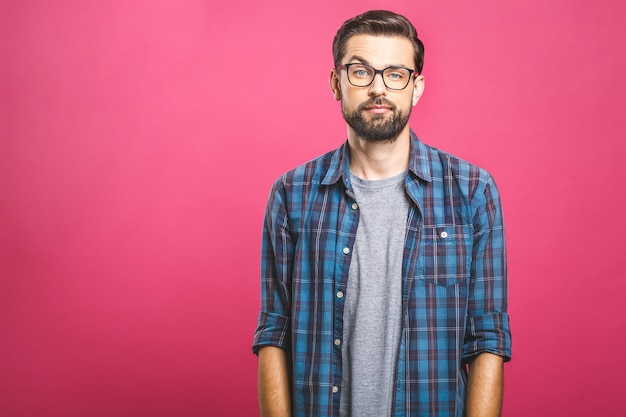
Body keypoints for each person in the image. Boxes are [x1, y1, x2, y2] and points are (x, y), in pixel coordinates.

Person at [252, 9, 511, 417]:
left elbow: (487, 339)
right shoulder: (292, 194)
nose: (378, 88)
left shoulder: (472, 192)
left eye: (395, 74)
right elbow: (274, 331)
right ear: (336, 83)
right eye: (361, 72)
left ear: (416, 86)